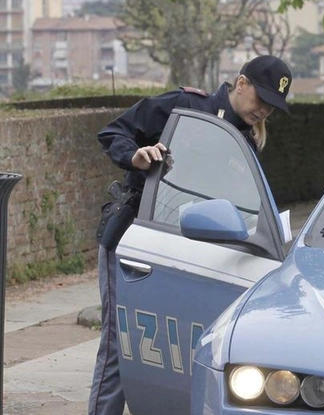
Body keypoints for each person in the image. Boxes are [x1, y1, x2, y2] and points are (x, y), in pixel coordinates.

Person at [88, 55, 293, 415]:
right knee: (119, 345)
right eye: (261, 99)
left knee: (184, 353)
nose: (264, 111)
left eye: (272, 107)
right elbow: (112, 132)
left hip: (199, 257)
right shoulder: (185, 106)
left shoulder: (246, 142)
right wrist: (134, 155)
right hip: (137, 243)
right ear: (240, 83)